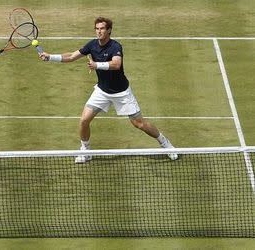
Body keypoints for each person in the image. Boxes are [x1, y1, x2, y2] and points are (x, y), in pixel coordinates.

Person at [39, 17, 178, 163]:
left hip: (122, 92)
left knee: (139, 123)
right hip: (102, 91)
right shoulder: (92, 45)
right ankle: (86, 151)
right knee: (84, 120)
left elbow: (116, 64)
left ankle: (166, 144)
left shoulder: (115, 47)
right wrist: (50, 57)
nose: (99, 31)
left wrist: (97, 65)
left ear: (109, 30)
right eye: (97, 29)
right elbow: (72, 56)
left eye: (102, 29)